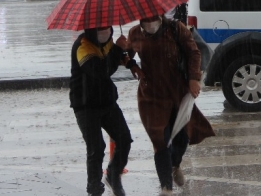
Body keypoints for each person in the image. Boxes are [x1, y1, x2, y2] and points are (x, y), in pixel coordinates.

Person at [127, 15, 215, 196]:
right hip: (151, 96)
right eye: (146, 16)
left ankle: (175, 163)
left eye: (153, 15)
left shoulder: (176, 29)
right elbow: (125, 56)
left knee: (182, 136)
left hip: (178, 91)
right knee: (160, 140)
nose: (150, 21)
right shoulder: (134, 33)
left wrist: (193, 79)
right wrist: (131, 64)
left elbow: (194, 53)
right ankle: (166, 187)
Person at [70, 26, 133, 196]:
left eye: (107, 27)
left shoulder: (108, 42)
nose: (105, 31)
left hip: (106, 101)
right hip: (85, 105)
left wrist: (126, 53)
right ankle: (94, 188)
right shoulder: (83, 46)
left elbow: (113, 60)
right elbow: (101, 71)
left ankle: (113, 174)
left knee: (124, 139)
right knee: (96, 148)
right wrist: (117, 49)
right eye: (100, 28)